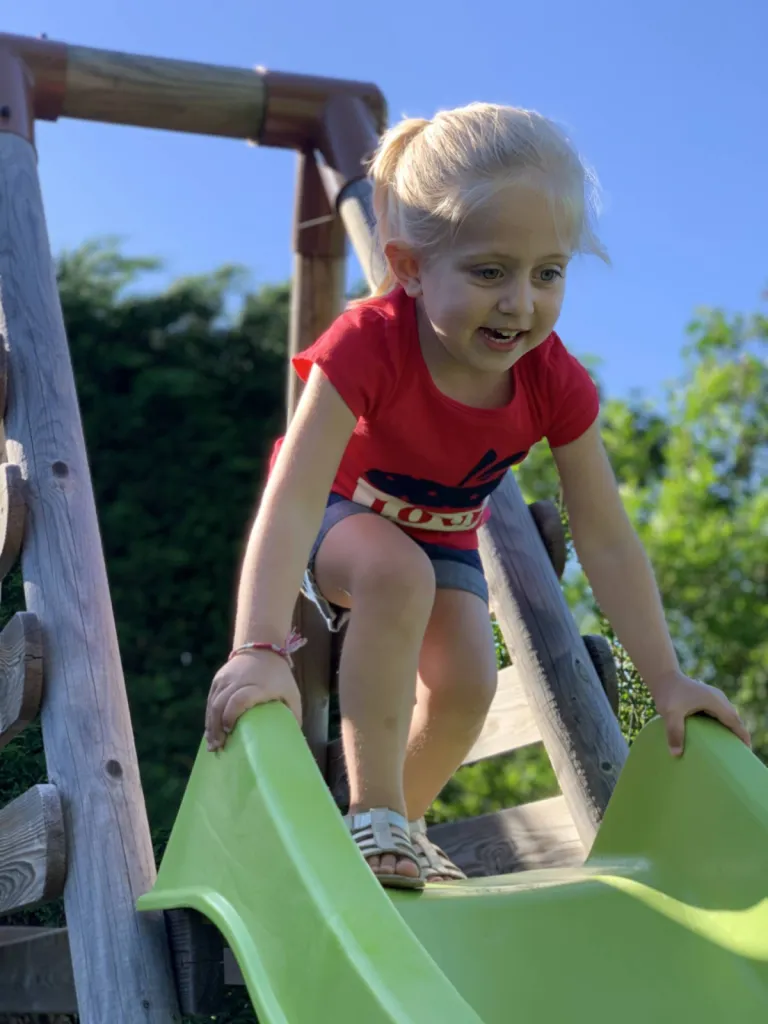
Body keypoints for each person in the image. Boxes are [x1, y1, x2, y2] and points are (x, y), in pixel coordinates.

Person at [204, 102, 751, 890]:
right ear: (411, 267)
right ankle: (375, 812)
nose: (520, 302)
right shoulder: (367, 344)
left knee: (467, 685)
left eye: (548, 273)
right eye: (490, 272)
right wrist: (256, 650)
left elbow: (605, 537)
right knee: (396, 576)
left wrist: (664, 679)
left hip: (444, 534)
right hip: (338, 513)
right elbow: (291, 498)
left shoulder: (555, 383)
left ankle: (394, 826)